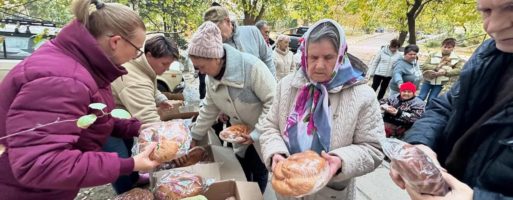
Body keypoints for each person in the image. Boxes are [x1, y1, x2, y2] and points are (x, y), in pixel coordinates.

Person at [0, 0, 160, 199]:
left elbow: (90, 117)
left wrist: (137, 128)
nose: (135, 56)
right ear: (116, 42)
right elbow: (40, 164)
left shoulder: (80, 64)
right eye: (137, 50)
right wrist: (130, 164)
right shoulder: (64, 80)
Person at [389, 0, 513, 199]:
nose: (493, 26)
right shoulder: (489, 53)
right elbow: (446, 107)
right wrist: (420, 144)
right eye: (486, 11)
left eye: (511, 7)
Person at [259, 19, 384, 199]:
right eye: (313, 57)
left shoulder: (363, 95)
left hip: (331, 192)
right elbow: (270, 126)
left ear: (341, 55)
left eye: (328, 57)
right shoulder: (286, 86)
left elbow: (374, 148)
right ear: (304, 55)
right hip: (289, 188)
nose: (319, 65)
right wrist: (276, 152)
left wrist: (341, 161)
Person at [187, 22, 276, 193]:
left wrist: (256, 133)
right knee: (242, 169)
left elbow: (274, 101)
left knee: (259, 171)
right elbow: (209, 108)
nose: (202, 72)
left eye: (202, 67)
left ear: (215, 58)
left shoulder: (252, 67)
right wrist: (196, 136)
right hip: (239, 136)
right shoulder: (211, 78)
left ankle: (256, 196)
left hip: (263, 131)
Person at [107, 33, 179, 194]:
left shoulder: (145, 65)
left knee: (128, 146)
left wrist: (160, 98)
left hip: (123, 119)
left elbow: (151, 85)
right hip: (107, 122)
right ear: (149, 55)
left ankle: (135, 179)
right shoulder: (134, 80)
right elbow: (148, 120)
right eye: (164, 64)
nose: (166, 68)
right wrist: (171, 145)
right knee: (119, 159)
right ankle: (126, 193)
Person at [418, 38, 465, 103]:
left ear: (453, 48)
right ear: (441, 46)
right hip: (428, 79)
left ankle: (428, 112)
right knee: (421, 96)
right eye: (445, 47)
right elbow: (424, 65)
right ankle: (414, 110)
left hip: (441, 82)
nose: (446, 49)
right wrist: (435, 68)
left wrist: (445, 73)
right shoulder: (433, 55)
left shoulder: (456, 59)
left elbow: (458, 70)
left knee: (432, 99)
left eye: (449, 47)